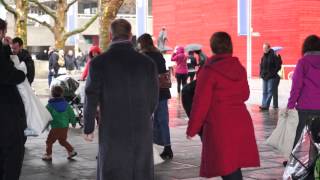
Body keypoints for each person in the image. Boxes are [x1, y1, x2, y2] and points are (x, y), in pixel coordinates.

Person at [83, 19, 159, 180]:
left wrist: (88, 127)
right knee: (140, 170)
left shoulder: (98, 63)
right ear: (130, 36)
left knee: (113, 168)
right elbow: (153, 98)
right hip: (141, 126)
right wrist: (144, 115)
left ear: (110, 35)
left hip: (112, 126)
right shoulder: (147, 63)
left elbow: (91, 96)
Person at [186, 32, 260, 179]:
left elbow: (200, 103)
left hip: (219, 125)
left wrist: (192, 128)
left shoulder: (209, 71)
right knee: (233, 165)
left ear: (213, 47)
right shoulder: (239, 68)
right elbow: (245, 94)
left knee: (227, 168)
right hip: (240, 122)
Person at [137, 33, 173, 160]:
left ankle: (148, 148)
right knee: (163, 120)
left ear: (142, 43)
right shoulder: (159, 55)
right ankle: (168, 148)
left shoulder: (142, 56)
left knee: (147, 121)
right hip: (162, 92)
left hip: (148, 93)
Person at [286, 35, 320, 169]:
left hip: (305, 108)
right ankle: (315, 164)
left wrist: (290, 106)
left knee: (299, 138)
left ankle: (294, 164)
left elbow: (296, 87)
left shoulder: (303, 62)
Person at [0, 18, 27, 180]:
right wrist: (21, 73)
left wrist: (6, 49)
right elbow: (9, 74)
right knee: (12, 158)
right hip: (6, 116)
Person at [42, 85, 77, 161]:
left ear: (52, 94)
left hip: (55, 127)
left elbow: (45, 115)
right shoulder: (67, 105)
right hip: (65, 126)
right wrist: (74, 122)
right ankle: (71, 151)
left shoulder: (50, 105)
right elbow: (71, 114)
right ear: (62, 94)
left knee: (49, 141)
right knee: (62, 140)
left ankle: (48, 155)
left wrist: (44, 124)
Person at [259, 43, 282, 110]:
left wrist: (273, 73)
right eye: (263, 48)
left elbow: (278, 66)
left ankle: (266, 106)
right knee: (264, 92)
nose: (264, 49)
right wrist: (261, 73)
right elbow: (261, 66)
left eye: (266, 48)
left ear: (269, 48)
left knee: (270, 91)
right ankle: (263, 105)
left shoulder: (273, 56)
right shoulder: (263, 57)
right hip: (264, 77)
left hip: (271, 77)